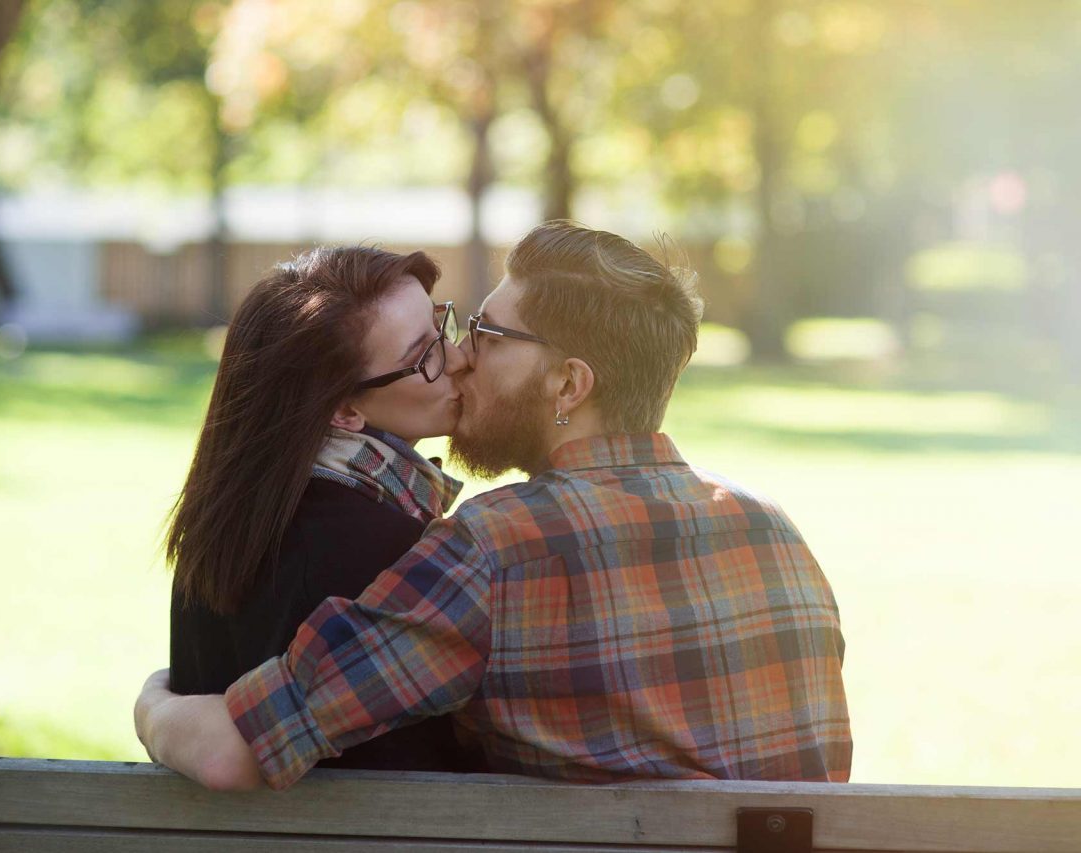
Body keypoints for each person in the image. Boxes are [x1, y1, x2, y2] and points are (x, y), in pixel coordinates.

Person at [135, 221, 852, 791]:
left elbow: (248, 744)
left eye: (487, 334)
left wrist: (154, 703)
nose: (463, 357)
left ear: (569, 385)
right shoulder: (774, 530)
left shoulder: (493, 550)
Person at [164, 244, 482, 773]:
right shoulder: (379, 548)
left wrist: (155, 706)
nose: (460, 358)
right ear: (344, 409)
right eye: (423, 356)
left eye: (440, 327)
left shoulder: (231, 518)